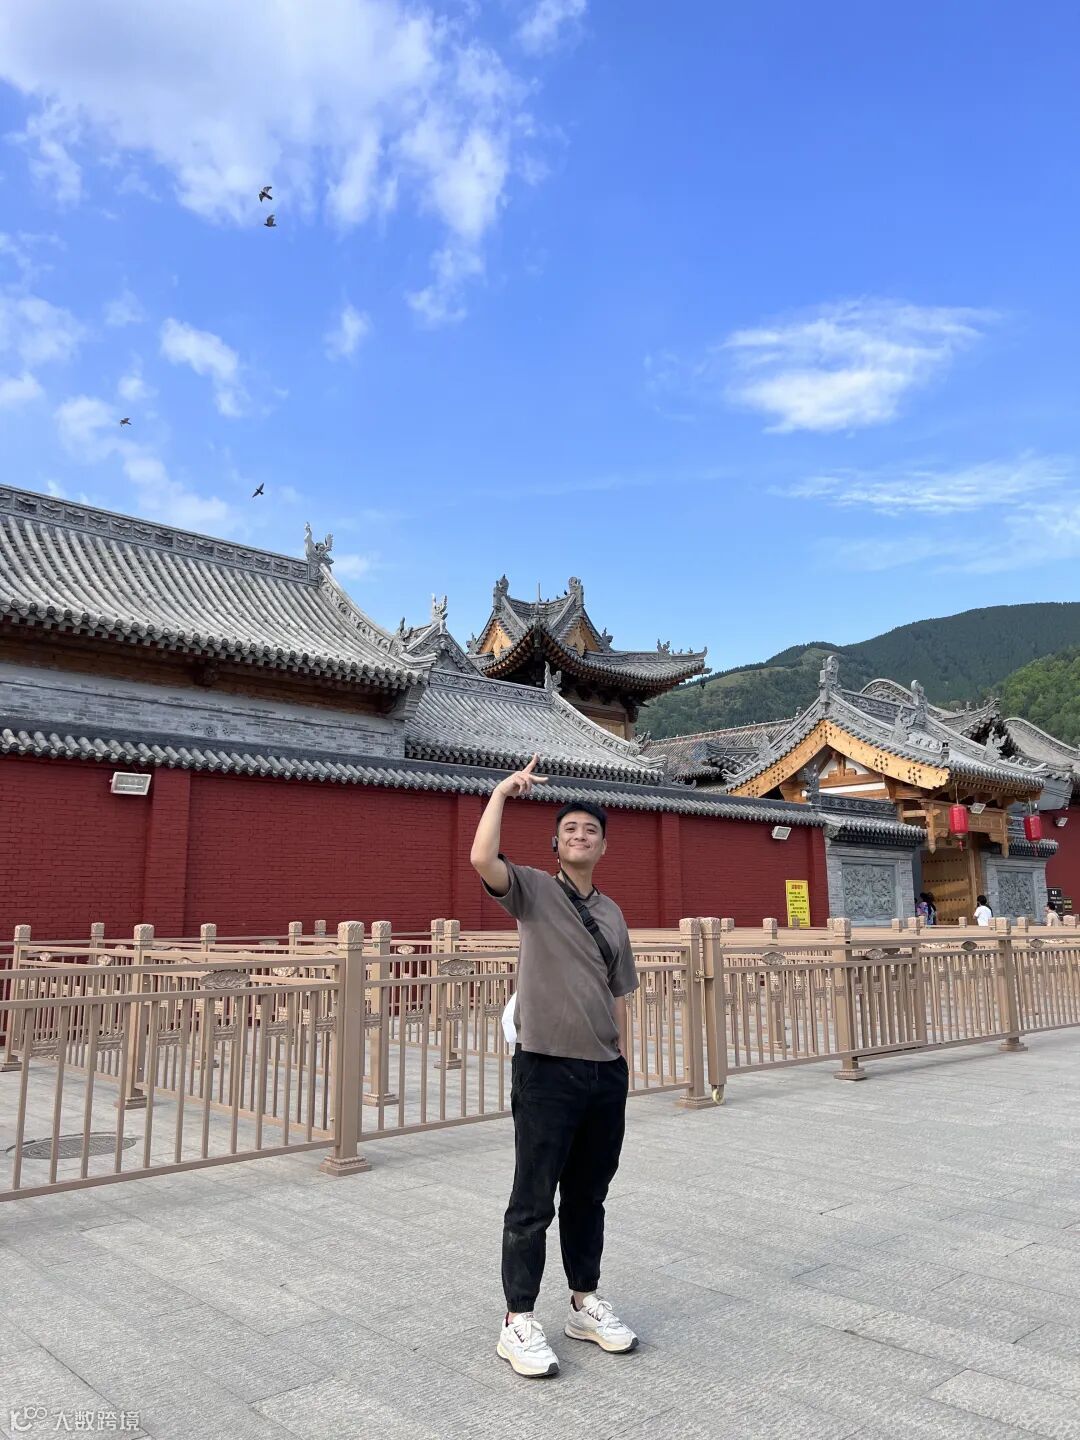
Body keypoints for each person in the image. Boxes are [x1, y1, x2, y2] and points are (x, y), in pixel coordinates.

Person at [470, 753, 640, 1378]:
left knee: (589, 1195)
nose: (580, 835)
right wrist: (502, 793)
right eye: (569, 829)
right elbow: (482, 859)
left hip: (602, 1072)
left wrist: (623, 1063)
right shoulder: (535, 891)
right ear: (556, 844)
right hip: (544, 1067)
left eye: (590, 830)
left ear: (603, 846)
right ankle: (517, 1319)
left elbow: (620, 993)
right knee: (533, 1198)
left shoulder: (613, 914)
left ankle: (584, 1302)